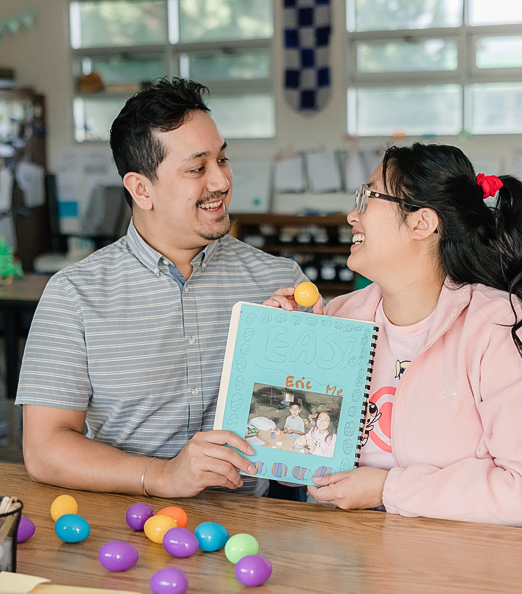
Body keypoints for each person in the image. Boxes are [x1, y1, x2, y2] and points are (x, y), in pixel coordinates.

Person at [267, 143, 522, 534]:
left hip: (496, 560)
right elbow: (293, 471)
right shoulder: (339, 317)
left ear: (422, 223)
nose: (353, 215)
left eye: (368, 198)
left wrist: (389, 489)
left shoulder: (505, 327)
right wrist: (282, 356)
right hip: (374, 556)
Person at [17, 78, 311, 499]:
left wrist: (305, 355)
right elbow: (44, 449)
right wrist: (162, 475)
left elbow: (312, 429)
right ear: (141, 189)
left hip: (254, 527)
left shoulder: (279, 281)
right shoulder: (74, 296)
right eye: (197, 168)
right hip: (125, 521)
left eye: (222, 159)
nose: (221, 181)